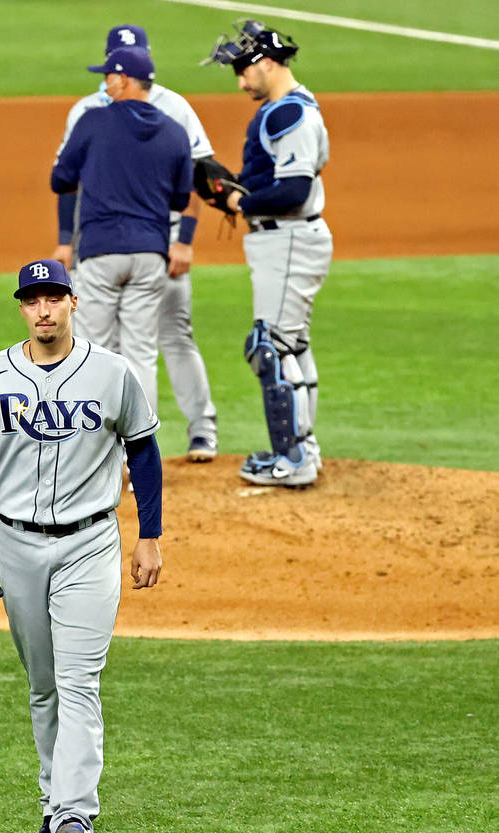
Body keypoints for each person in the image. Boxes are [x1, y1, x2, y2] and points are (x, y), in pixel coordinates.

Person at [0, 258, 163, 833]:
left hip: (92, 543)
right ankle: (51, 803)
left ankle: (74, 815)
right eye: (32, 300)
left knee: (79, 681)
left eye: (53, 298)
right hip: (17, 545)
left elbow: (143, 451)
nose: (43, 310)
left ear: (72, 302)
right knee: (44, 687)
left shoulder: (113, 373)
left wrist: (151, 535)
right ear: (22, 308)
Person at [53, 24, 218, 462]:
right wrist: (65, 242)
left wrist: (184, 241)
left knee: (170, 335)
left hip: (149, 242)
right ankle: (135, 450)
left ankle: (201, 428)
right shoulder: (86, 109)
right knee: (136, 349)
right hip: (142, 246)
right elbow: (68, 188)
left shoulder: (174, 107)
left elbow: (199, 178)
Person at [203, 20, 332, 487]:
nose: (240, 82)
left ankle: (293, 460)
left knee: (270, 347)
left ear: (268, 62)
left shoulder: (287, 114)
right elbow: (277, 179)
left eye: (244, 70)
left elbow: (295, 190)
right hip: (287, 237)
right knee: (290, 344)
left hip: (289, 237)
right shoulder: (296, 105)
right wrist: (235, 190)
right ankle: (305, 452)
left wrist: (240, 201)